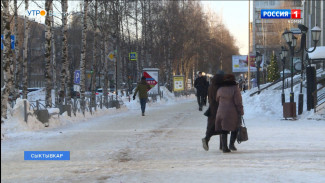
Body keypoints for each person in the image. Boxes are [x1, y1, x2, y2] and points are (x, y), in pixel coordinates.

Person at [215, 74, 244, 153]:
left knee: (224, 129)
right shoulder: (235, 89)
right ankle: (231, 144)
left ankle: (224, 147)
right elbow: (238, 102)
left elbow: (217, 99)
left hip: (221, 111)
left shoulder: (220, 89)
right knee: (234, 127)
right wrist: (241, 111)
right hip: (232, 112)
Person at [202, 71, 224, 151]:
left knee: (211, 126)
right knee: (222, 127)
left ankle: (206, 138)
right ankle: (222, 145)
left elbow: (209, 97)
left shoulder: (211, 86)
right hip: (220, 108)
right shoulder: (220, 87)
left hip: (212, 109)